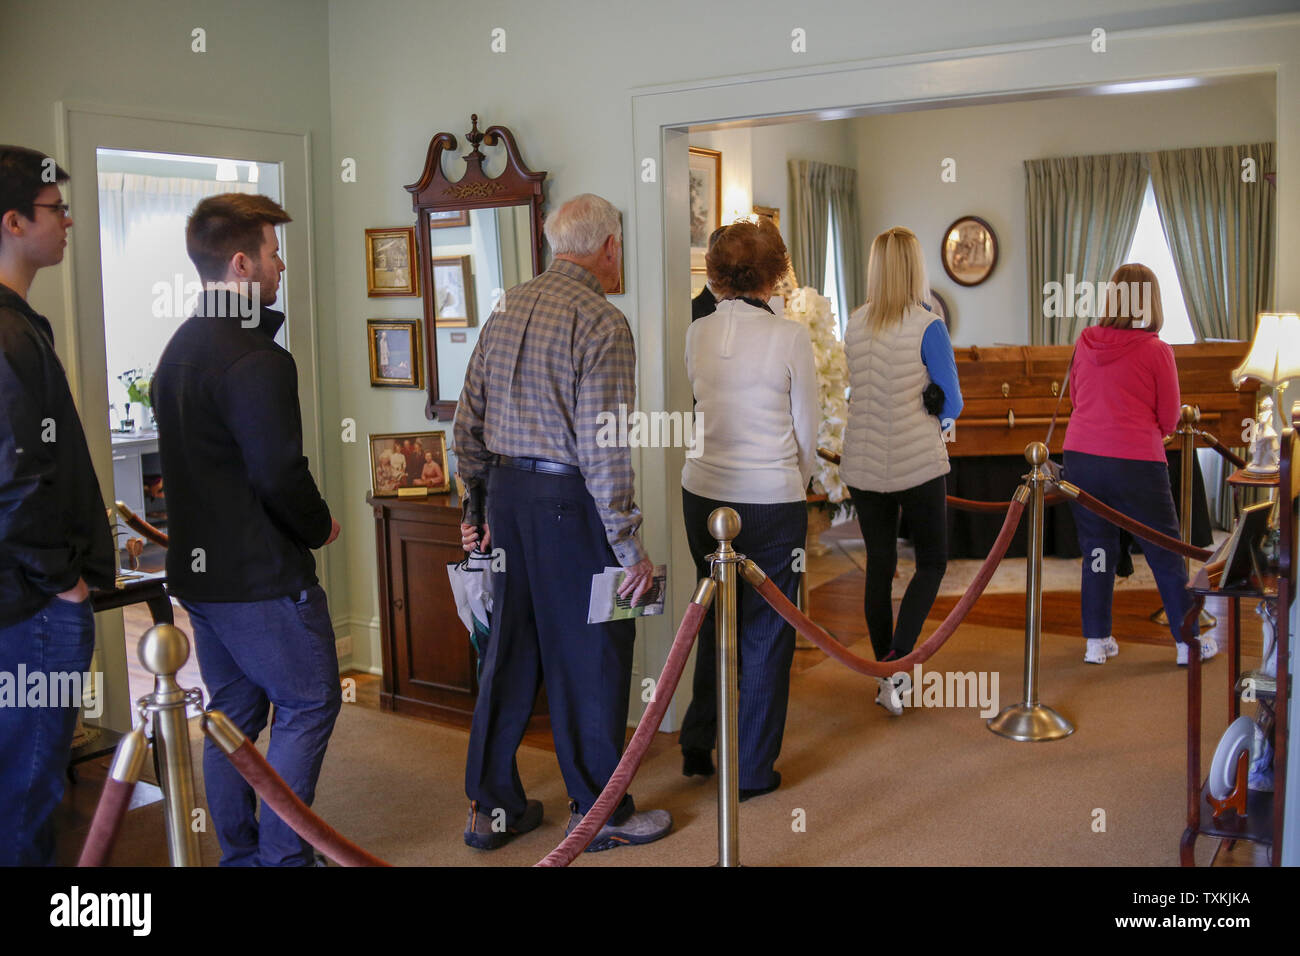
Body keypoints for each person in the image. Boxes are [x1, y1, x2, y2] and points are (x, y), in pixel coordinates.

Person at [454, 192, 670, 852]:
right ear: (607, 248)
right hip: (570, 507)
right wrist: (630, 545)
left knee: (507, 655)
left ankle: (491, 810)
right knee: (596, 657)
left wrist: (478, 506)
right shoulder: (602, 321)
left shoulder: (506, 305)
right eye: (620, 246)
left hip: (509, 502)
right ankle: (599, 814)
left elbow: (468, 422)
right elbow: (603, 449)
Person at [152, 193, 342, 866]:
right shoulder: (257, 358)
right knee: (310, 703)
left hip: (202, 579)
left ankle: (241, 858)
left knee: (230, 720)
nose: (281, 264)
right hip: (261, 579)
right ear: (241, 264)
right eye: (272, 251)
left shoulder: (179, 349)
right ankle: (282, 859)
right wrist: (320, 526)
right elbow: (277, 473)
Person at [0, 146, 115, 866]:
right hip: (30, 607)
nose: (68, 222)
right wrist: (63, 582)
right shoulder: (8, 333)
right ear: (12, 221)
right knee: (27, 791)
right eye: (55, 210)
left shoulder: (19, 324)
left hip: (24, 598)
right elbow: (14, 479)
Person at [678, 218, 818, 798]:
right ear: (776, 272)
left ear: (715, 275)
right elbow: (807, 430)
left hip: (701, 493)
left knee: (714, 613)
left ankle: (697, 741)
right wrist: (797, 484)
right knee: (766, 634)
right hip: (770, 501)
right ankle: (753, 770)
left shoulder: (696, 333)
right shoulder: (789, 337)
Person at [1062, 262, 1218, 666]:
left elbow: (1077, 399)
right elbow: (1169, 418)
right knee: (1164, 552)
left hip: (1081, 458)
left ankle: (1096, 641)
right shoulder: (1156, 351)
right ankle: (1188, 643)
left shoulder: (1084, 341)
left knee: (1097, 550)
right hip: (1135, 463)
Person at [840, 226, 963, 716]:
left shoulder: (855, 322)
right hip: (916, 462)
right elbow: (952, 401)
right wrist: (935, 401)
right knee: (932, 563)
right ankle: (898, 667)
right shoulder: (927, 324)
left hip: (864, 463)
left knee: (880, 566)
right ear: (916, 268)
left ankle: (883, 673)